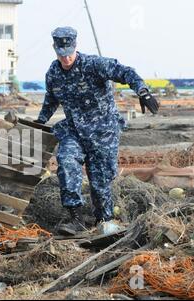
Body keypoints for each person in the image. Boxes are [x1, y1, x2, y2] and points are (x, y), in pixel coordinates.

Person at [34, 27, 160, 235]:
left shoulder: (94, 65)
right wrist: (41, 119)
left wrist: (143, 91)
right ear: (55, 49)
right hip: (74, 131)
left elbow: (124, 71)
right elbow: (51, 98)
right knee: (66, 160)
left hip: (104, 133)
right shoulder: (54, 73)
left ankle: (104, 221)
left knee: (100, 182)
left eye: (69, 53)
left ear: (75, 47)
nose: (66, 59)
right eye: (61, 54)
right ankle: (76, 218)